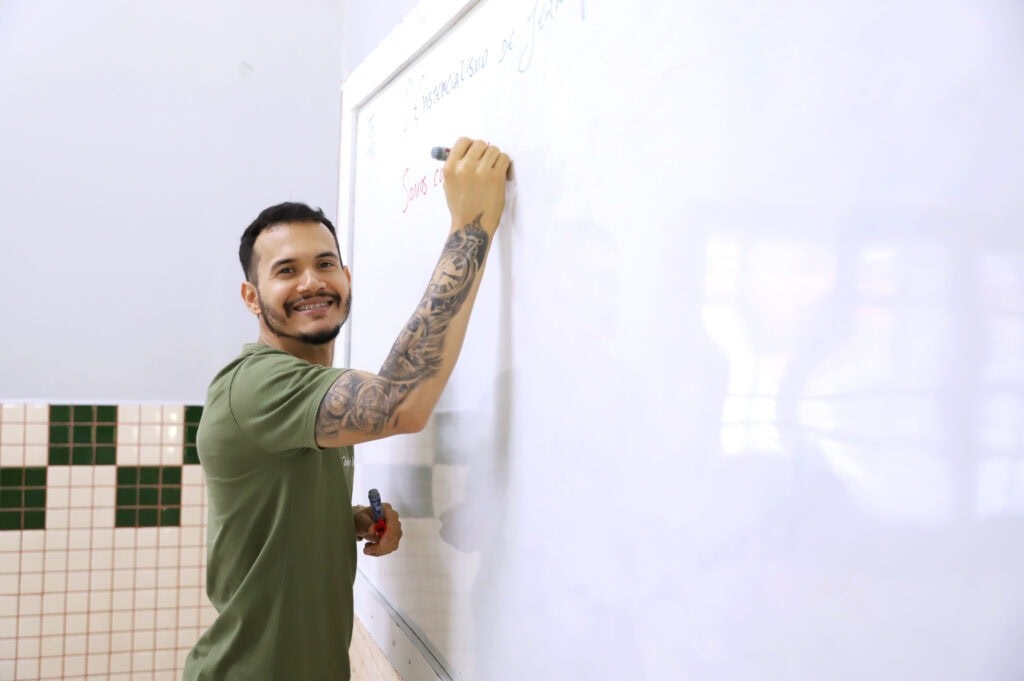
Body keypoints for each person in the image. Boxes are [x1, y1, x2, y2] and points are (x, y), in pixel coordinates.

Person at [182, 137, 511, 680]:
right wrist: (471, 226)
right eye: (286, 270)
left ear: (346, 279)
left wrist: (344, 522)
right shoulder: (255, 384)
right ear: (251, 297)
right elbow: (401, 403)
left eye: (325, 264)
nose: (311, 281)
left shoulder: (312, 389)